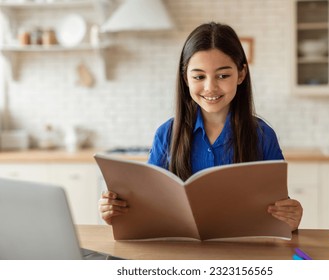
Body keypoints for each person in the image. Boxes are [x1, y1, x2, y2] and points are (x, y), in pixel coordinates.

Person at [99, 22, 303, 231]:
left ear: (241, 75)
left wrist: (291, 219)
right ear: (185, 78)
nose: (210, 87)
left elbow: (279, 216)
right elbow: (148, 210)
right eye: (199, 77)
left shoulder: (262, 135)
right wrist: (117, 212)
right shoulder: (166, 134)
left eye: (223, 75)